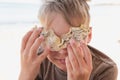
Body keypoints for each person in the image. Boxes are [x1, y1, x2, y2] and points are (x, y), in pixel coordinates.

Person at [19, 0, 118, 80]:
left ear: (88, 36)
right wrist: (26, 74)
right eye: (53, 41)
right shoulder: (37, 62)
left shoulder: (105, 70)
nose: (62, 50)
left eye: (73, 39)